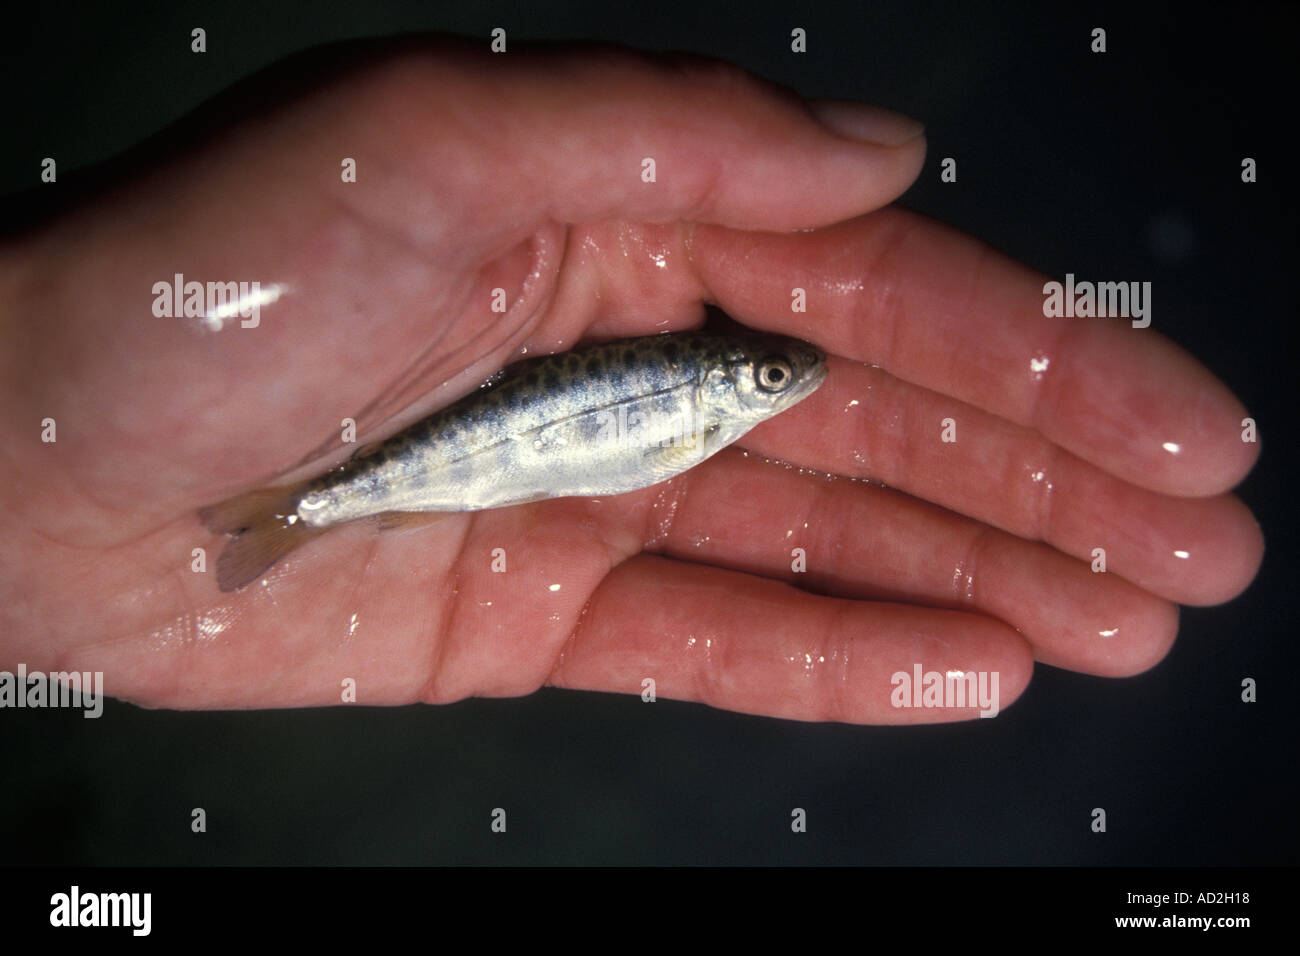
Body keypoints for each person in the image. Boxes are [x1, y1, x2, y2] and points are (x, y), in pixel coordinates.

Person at [0, 40, 1262, 721]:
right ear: (729, 376)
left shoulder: (711, 402)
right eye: (766, 371)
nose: (781, 383)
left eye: (767, 373)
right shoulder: (708, 405)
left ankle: (303, 507)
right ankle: (300, 507)